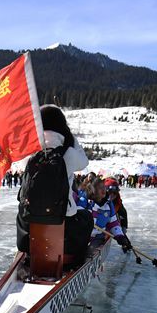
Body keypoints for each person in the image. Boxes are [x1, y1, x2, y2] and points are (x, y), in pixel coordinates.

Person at [16, 105, 92, 260]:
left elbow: (19, 164)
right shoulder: (67, 151)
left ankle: (30, 250)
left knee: (22, 216)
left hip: (30, 220)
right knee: (86, 217)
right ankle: (70, 256)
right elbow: (84, 162)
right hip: (64, 221)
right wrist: (72, 140)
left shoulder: (30, 148)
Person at [85, 178, 132, 254]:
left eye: (115, 193)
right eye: (110, 192)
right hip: (84, 236)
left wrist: (121, 236)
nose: (112, 195)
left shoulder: (111, 205)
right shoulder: (87, 202)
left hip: (98, 236)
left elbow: (114, 222)